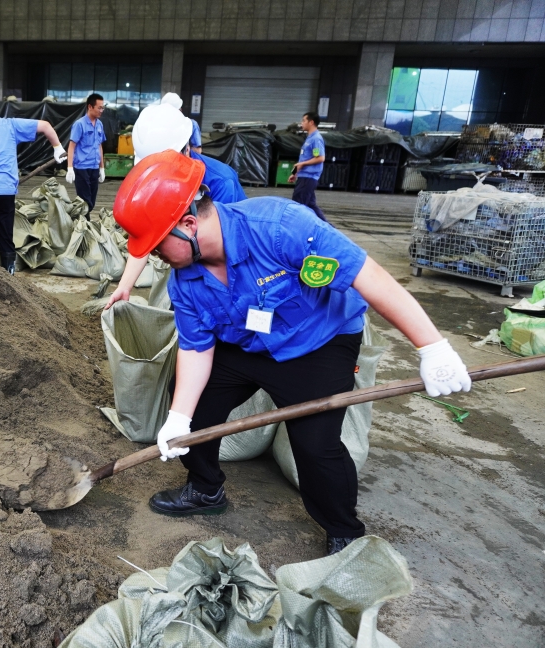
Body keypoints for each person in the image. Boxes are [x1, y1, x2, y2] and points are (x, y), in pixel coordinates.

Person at [113, 151, 472, 555]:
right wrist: (179, 418)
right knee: (194, 412)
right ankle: (205, 488)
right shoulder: (185, 281)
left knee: (316, 447)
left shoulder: (281, 228)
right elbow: (197, 349)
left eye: (157, 245)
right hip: (246, 342)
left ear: (189, 225)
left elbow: (369, 277)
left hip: (319, 342)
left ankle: (344, 531)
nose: (152, 256)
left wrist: (432, 347)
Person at [106, 102, 246, 308]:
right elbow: (146, 232)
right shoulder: (154, 183)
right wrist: (125, 286)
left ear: (187, 149)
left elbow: (229, 251)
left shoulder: (220, 182)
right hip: (186, 261)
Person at [0, 92, 65, 275]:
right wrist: (57, 148)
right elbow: (46, 126)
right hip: (5, 192)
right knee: (5, 238)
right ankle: (9, 275)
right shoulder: (9, 125)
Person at [64, 93, 106, 216]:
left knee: (91, 202)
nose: (101, 110)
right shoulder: (79, 124)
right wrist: (70, 168)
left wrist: (102, 167)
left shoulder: (99, 125)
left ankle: (76, 218)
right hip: (81, 168)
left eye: (103, 107)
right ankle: (84, 227)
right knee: (84, 201)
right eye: (99, 107)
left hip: (94, 167)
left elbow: (99, 146)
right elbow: (72, 146)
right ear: (90, 107)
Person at [288, 111, 327, 221]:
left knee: (298, 206)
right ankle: (328, 229)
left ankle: (297, 230)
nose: (302, 123)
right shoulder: (309, 139)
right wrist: (295, 173)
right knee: (310, 205)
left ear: (311, 122)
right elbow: (305, 158)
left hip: (308, 177)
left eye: (304, 121)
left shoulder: (316, 139)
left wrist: (302, 165)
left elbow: (320, 158)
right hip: (304, 176)